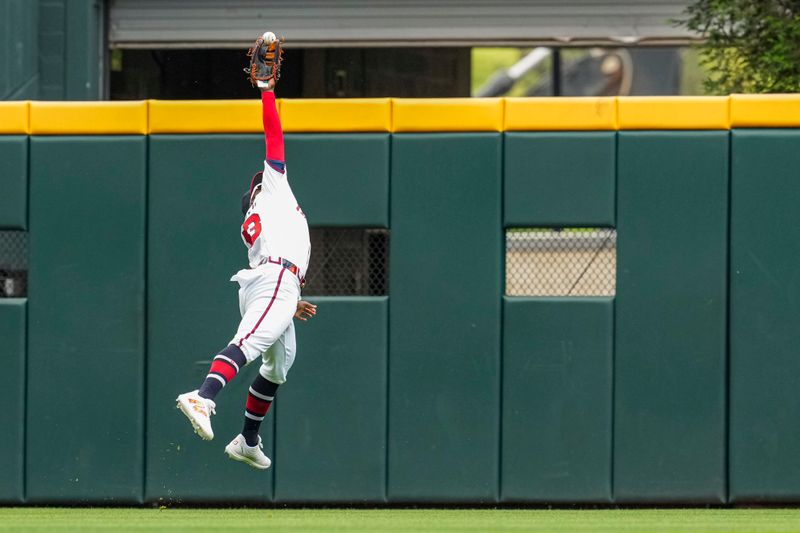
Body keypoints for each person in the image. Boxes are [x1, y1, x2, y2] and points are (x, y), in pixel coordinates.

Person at [176, 31, 316, 470]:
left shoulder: (264, 216)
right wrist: (267, 92)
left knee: (280, 365)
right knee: (249, 343)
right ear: (260, 188)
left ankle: (247, 440)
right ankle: (202, 396)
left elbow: (276, 255)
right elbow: (274, 138)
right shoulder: (272, 190)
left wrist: (288, 300)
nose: (268, 172)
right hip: (275, 278)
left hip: (275, 280)